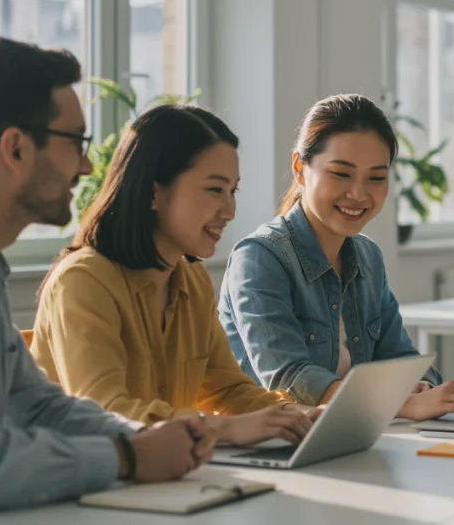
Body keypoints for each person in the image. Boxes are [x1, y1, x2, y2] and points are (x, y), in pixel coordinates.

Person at [0, 37, 215, 511]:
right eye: (76, 143)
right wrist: (126, 456)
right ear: (16, 148)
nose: (87, 166)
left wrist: (146, 437)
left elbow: (38, 407)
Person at [31, 104, 316, 447]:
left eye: (233, 191)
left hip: (163, 477)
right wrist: (221, 429)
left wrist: (296, 416)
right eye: (215, 190)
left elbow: (228, 390)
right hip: (86, 483)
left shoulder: (192, 281)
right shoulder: (82, 281)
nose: (229, 211)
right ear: (153, 192)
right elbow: (106, 413)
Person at [219, 94, 454, 421]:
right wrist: (403, 404)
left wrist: (428, 389)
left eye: (376, 178)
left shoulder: (367, 256)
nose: (359, 194)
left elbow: (400, 359)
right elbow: (289, 379)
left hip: (355, 437)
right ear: (300, 168)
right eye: (341, 174)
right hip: (278, 445)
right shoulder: (259, 258)